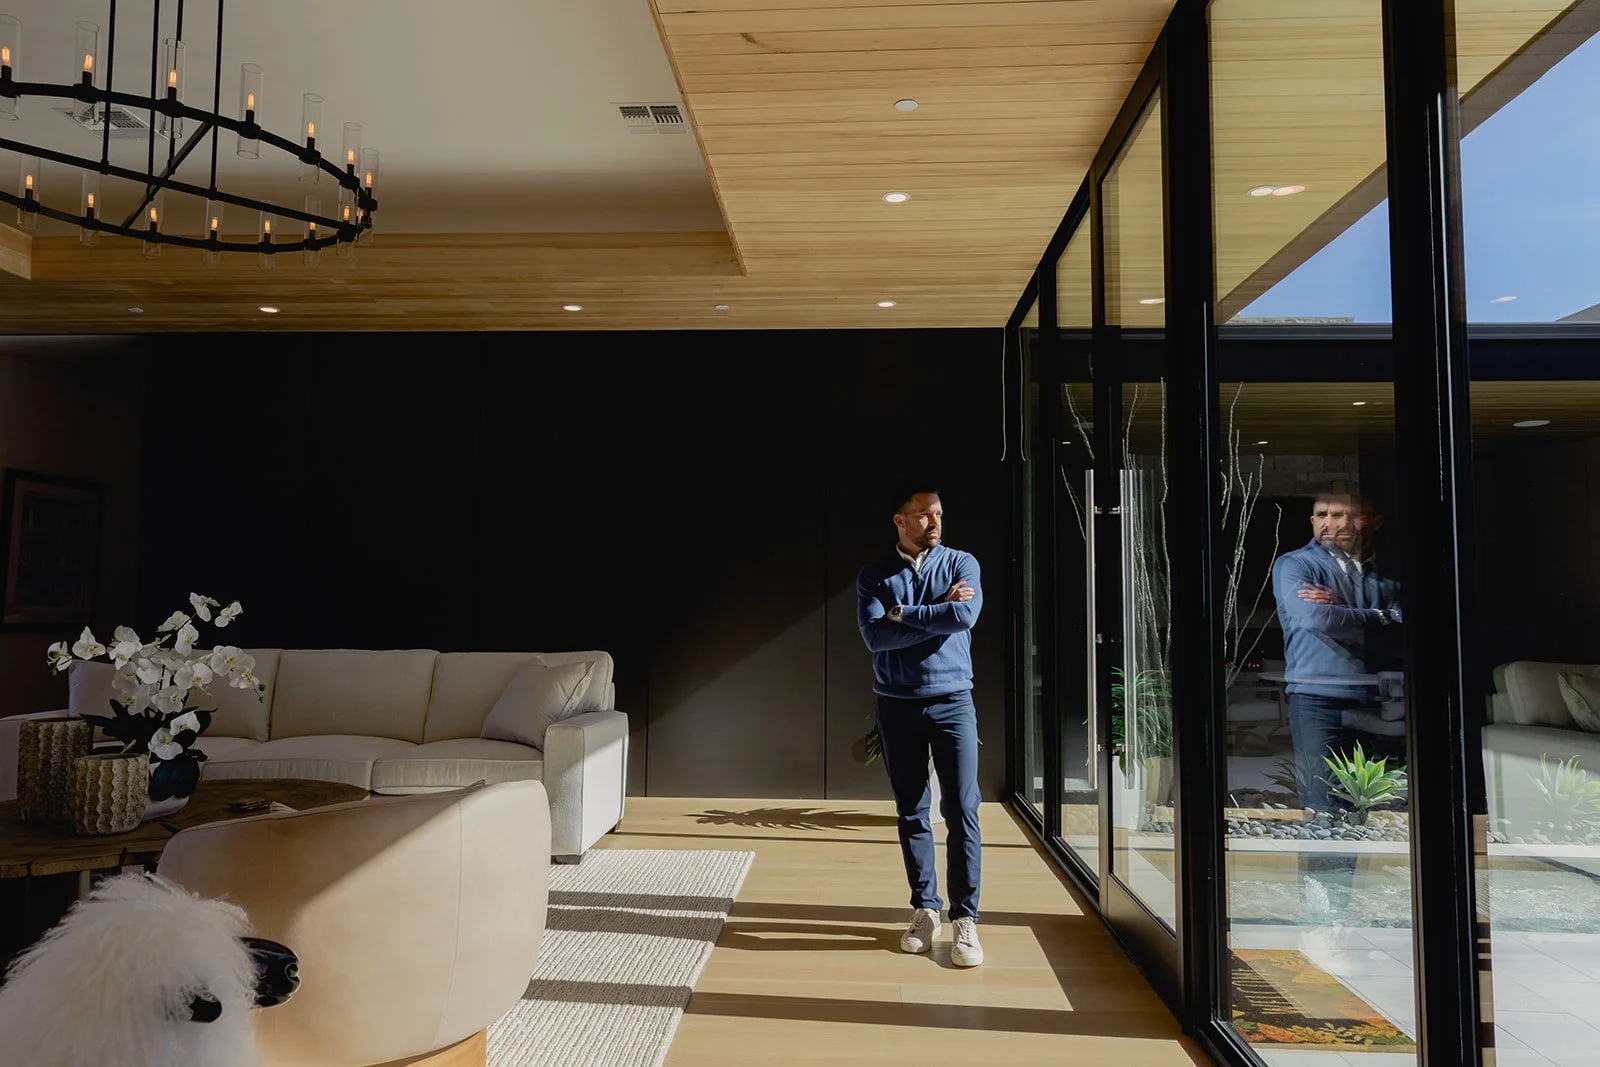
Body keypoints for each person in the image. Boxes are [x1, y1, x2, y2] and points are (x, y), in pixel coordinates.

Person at [856, 485, 984, 968]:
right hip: (897, 705)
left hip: (954, 701)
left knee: (962, 810)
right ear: (900, 521)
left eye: (939, 514)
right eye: (924, 515)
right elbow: (874, 636)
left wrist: (904, 612)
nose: (935, 522)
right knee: (911, 810)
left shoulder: (961, 564)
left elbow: (965, 614)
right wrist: (938, 611)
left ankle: (966, 918)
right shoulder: (874, 574)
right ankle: (926, 909)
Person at [1271, 490, 1403, 815]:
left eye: (1345, 514)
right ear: (1313, 521)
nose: (1332, 523)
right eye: (1323, 515)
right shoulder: (1295, 564)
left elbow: (1407, 628)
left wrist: (1345, 611)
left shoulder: (1390, 574)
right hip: (1319, 699)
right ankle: (1324, 869)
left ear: (1373, 522)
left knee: (1373, 806)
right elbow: (1317, 618)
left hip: (1379, 699)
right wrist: (1380, 616)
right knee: (1324, 808)